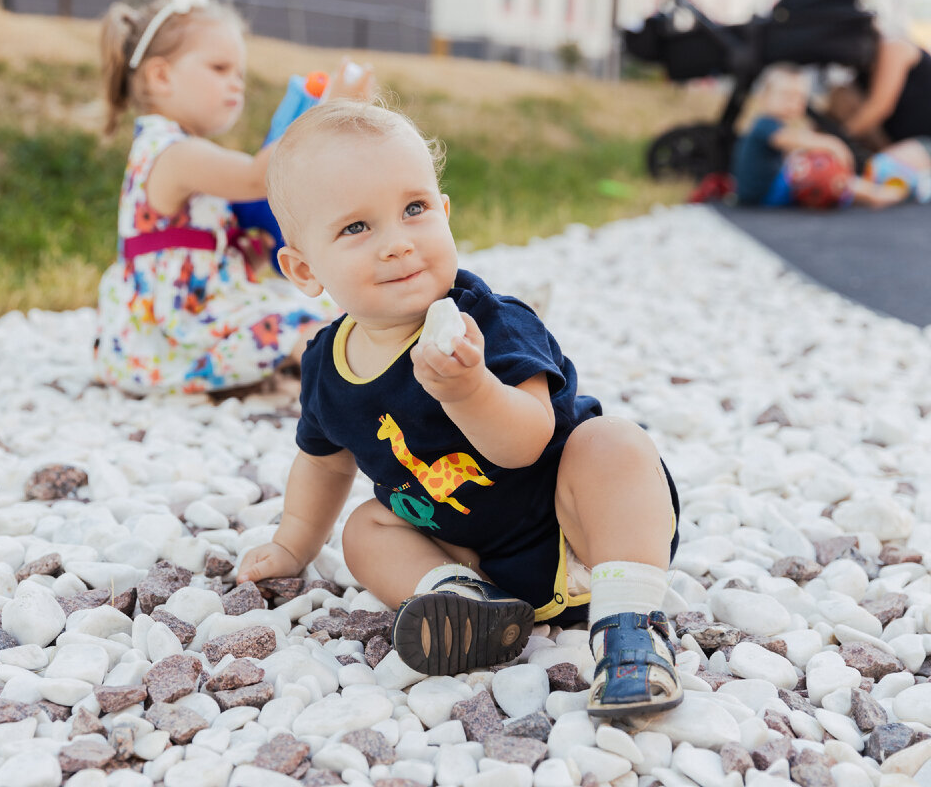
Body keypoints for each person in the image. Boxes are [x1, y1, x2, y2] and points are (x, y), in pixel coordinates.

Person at [237, 100, 685, 718]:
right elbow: (323, 464)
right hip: (476, 552)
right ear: (304, 269)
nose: (397, 243)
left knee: (614, 443)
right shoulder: (325, 365)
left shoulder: (489, 322)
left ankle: (629, 627)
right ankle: (462, 601)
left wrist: (469, 390)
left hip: (575, 530)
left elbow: (527, 441)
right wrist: (292, 544)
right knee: (367, 530)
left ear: (445, 213)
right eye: (357, 228)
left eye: (414, 210)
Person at [94, 0, 373, 395]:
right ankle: (346, 382)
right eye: (220, 68)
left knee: (321, 304)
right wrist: (325, 116)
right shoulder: (175, 153)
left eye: (239, 74)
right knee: (299, 323)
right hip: (175, 328)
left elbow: (201, 243)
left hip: (195, 309)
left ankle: (306, 363)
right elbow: (258, 176)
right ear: (161, 75)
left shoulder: (181, 148)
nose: (236, 85)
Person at [732, 66, 922, 208]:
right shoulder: (765, 124)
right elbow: (802, 142)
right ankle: (873, 194)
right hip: (763, 195)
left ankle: (898, 183)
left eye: (799, 97)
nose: (793, 103)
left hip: (765, 193)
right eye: (786, 96)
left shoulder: (778, 125)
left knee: (813, 165)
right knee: (820, 170)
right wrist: (834, 145)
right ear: (764, 97)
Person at [843, 35, 931, 146]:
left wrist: (840, 136)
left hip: (923, 143)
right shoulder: (861, 75)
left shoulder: (894, 48)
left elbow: (879, 108)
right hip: (898, 143)